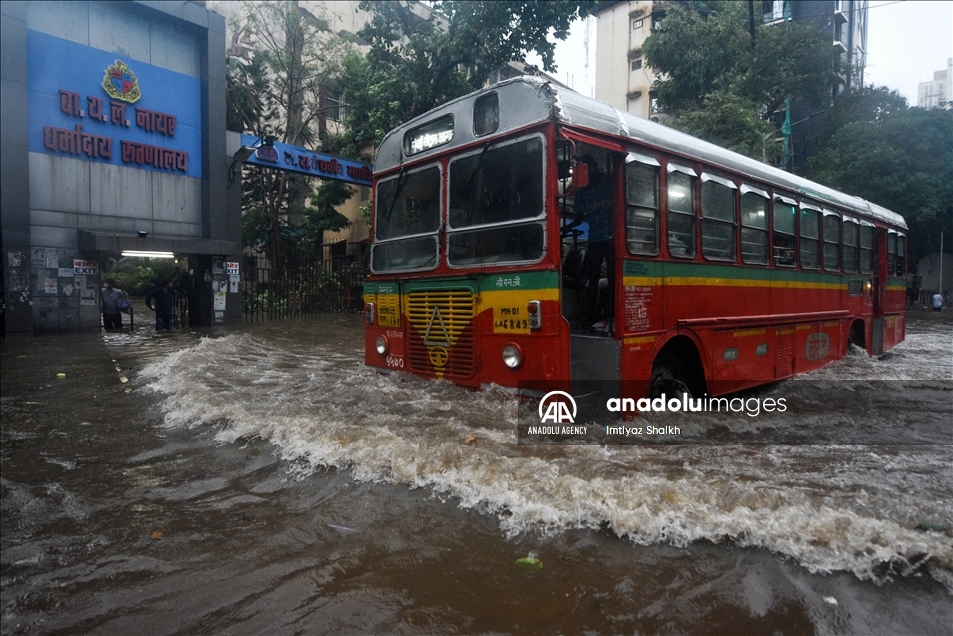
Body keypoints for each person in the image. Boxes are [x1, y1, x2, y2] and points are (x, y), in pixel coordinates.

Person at [572, 154, 613, 331]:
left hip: (612, 237)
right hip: (595, 238)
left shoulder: (609, 181)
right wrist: (564, 230)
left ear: (595, 167)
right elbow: (579, 216)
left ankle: (611, 315)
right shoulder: (582, 190)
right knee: (592, 277)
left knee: (614, 277)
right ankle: (590, 318)